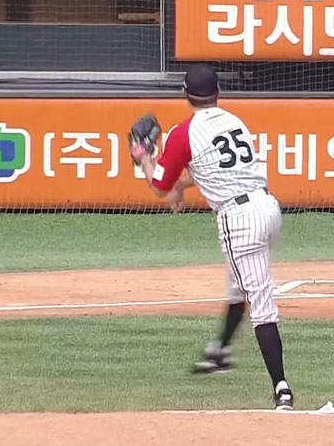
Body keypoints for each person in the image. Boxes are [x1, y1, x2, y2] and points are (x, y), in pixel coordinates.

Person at [128, 64, 294, 411]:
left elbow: (159, 186)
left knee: (261, 304)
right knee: (239, 285)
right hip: (268, 209)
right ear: (218, 92)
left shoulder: (183, 133)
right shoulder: (234, 121)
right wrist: (180, 185)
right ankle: (220, 352)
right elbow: (210, 169)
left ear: (185, 94)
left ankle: (282, 388)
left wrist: (143, 158)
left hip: (240, 219)